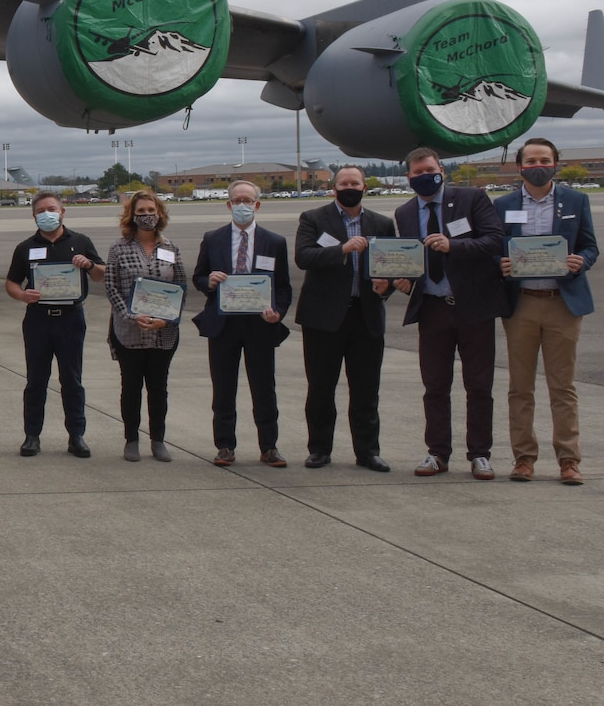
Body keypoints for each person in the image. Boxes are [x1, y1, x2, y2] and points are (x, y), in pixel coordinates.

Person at [393, 148, 504, 480]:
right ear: (409, 177)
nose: (424, 175)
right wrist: (402, 278)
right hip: (433, 310)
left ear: (441, 169)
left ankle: (480, 454)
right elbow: (412, 257)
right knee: (435, 385)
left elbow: (495, 241)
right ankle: (437, 452)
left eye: (430, 169)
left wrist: (453, 245)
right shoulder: (405, 212)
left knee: (479, 385)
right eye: (417, 172)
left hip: (474, 309)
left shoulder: (472, 199)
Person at [494, 137, 595, 484]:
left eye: (545, 160)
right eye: (531, 161)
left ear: (556, 163)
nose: (538, 166)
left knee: (562, 387)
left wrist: (581, 261)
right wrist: (500, 264)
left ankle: (569, 460)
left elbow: (590, 245)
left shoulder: (575, 200)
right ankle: (524, 458)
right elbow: (492, 246)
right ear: (520, 166)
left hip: (562, 304)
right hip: (521, 304)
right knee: (520, 386)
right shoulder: (504, 204)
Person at [293, 167, 398, 472]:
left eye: (355, 183)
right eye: (344, 183)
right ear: (333, 188)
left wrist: (387, 286)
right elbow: (304, 256)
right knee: (321, 388)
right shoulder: (313, 219)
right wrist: (342, 249)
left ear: (364, 186)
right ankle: (319, 449)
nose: (349, 187)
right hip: (323, 319)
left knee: (366, 389)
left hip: (365, 316)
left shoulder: (381, 223)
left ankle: (368, 451)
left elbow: (390, 264)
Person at [190, 180, 293, 467]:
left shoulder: (275, 242)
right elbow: (198, 276)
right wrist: (208, 282)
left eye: (248, 201)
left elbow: (283, 287)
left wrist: (279, 312)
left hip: (260, 324)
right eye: (237, 201)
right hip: (223, 324)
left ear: (257, 205)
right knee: (223, 388)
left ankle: (269, 446)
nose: (242, 206)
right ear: (229, 205)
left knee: (264, 387)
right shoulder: (213, 238)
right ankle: (225, 446)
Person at [3, 191, 101, 457]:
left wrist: (89, 264)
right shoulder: (25, 247)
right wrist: (22, 295)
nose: (47, 214)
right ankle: (32, 436)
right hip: (38, 320)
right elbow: (11, 282)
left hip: (70, 319)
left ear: (62, 212)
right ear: (34, 216)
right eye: (41, 211)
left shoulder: (80, 241)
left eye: (52, 209)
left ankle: (76, 436)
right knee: (36, 380)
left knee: (72, 380)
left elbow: (102, 275)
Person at [102, 192, 187, 462]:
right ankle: (131, 439)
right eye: (141, 210)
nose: (147, 215)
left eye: (151, 209)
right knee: (130, 386)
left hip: (163, 331)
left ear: (160, 213)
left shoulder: (171, 248)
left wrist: (169, 317)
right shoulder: (119, 248)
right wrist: (128, 315)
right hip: (129, 331)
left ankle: (158, 439)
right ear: (132, 215)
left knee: (158, 388)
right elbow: (111, 286)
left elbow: (181, 287)